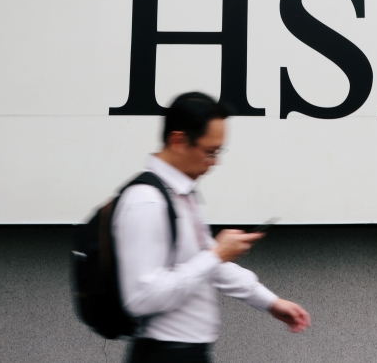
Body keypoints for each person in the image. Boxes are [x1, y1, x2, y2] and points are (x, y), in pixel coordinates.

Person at [112, 92, 311, 362]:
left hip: (187, 352)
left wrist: (270, 303)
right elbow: (142, 298)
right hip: (164, 353)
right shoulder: (147, 201)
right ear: (178, 140)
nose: (215, 162)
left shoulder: (182, 195)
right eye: (210, 152)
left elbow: (206, 266)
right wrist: (216, 254)